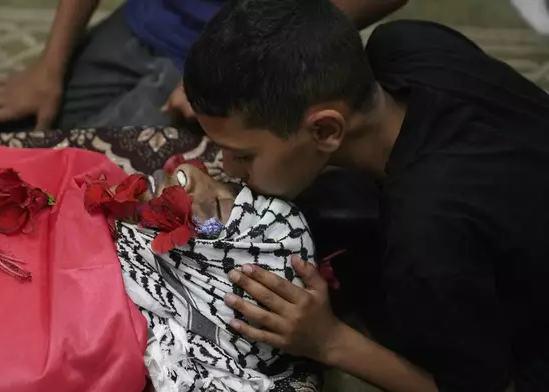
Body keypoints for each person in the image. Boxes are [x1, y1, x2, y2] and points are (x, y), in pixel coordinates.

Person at [182, 1, 549, 391]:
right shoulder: (409, 42)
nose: (229, 167)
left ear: (325, 131)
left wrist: (330, 341)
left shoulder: (422, 238)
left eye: (244, 155)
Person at [0, 0, 409, 133]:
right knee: (7, 136)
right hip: (145, 19)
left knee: (109, 199)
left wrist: (258, 53)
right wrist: (48, 67)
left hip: (255, 40)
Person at [112, 158, 320, 391]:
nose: (190, 177)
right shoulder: (98, 174)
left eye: (218, 208)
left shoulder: (122, 343)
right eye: (228, 184)